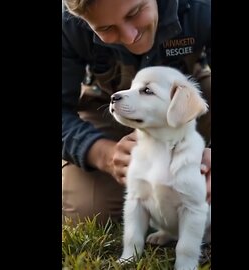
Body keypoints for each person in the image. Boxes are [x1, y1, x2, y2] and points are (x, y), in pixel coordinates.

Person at [62, 0, 212, 224]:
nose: (130, 36)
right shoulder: (68, 25)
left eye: (135, 13)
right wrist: (105, 155)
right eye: (105, 28)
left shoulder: (203, 8)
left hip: (185, 104)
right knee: (90, 211)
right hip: (108, 106)